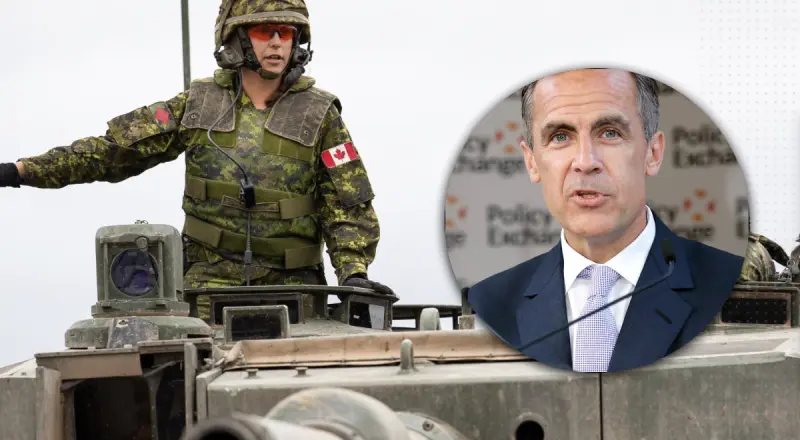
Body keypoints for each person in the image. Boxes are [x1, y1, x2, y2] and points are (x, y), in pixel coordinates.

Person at [0, 0, 394, 320]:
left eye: (286, 33)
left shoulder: (319, 114)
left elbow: (347, 202)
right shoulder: (200, 104)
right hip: (206, 289)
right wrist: (20, 171)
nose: (277, 43)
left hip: (296, 289)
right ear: (238, 38)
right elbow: (113, 152)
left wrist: (353, 273)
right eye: (264, 31)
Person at [466, 68, 744, 373]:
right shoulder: (489, 305)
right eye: (560, 136)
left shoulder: (728, 286)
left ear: (653, 153)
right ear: (531, 161)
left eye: (610, 133)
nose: (585, 162)